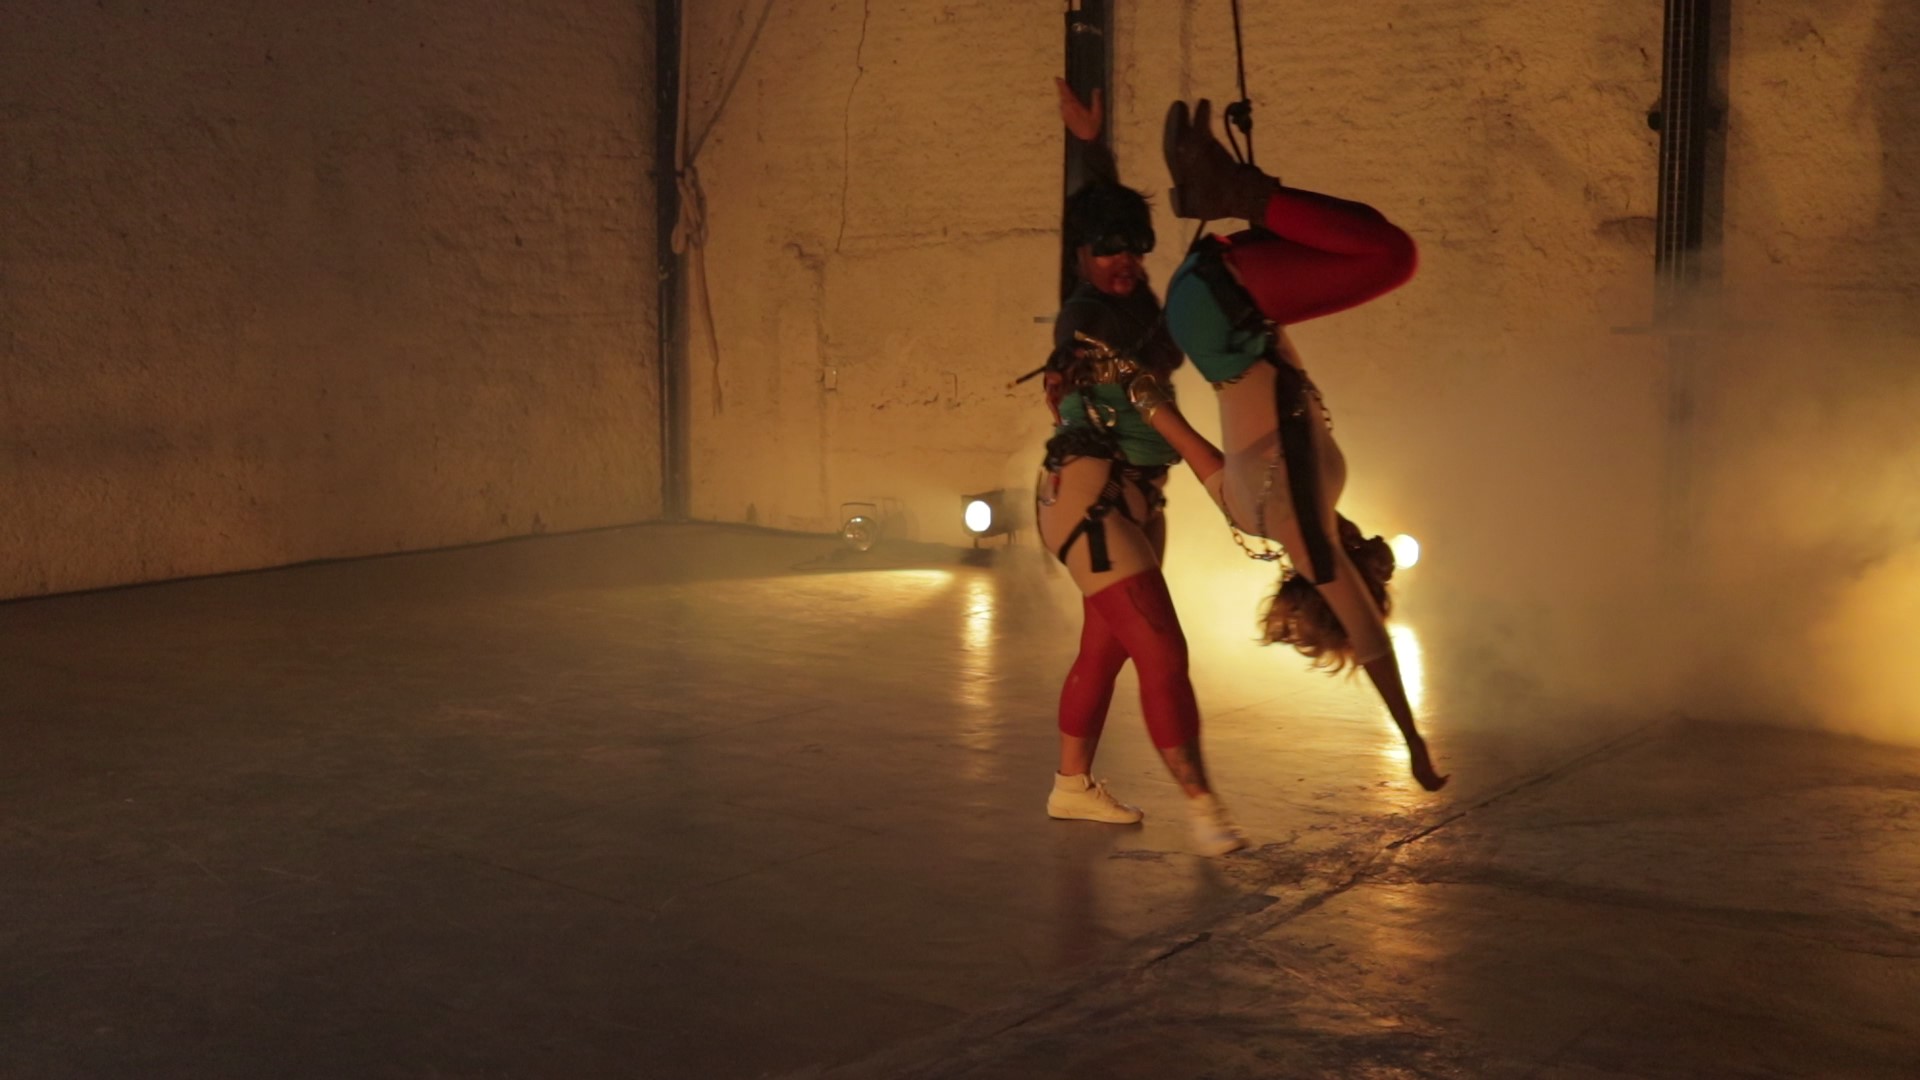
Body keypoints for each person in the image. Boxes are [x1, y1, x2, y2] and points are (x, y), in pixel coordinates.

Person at [1158, 99, 1449, 792]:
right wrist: (1141, 396)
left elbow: (1373, 645)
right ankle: (1220, 186)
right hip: (1214, 313)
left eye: (1361, 564)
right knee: (1370, 233)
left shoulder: (1309, 537)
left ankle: (1229, 189)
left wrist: (1414, 743)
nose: (1361, 538)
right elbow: (1190, 445)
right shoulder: (1252, 517)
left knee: (1393, 256)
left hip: (1224, 310)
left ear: (1339, 583)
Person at [1035, 79, 1246, 855]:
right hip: (1090, 496)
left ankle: (1071, 786)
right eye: (1107, 250)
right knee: (1161, 648)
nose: (1123, 260)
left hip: (1135, 500)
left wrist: (1092, 144)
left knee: (1106, 647)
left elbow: (1100, 205)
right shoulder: (1088, 315)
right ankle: (1204, 806)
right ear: (1082, 258)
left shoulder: (1134, 294)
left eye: (1132, 247)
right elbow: (1128, 383)